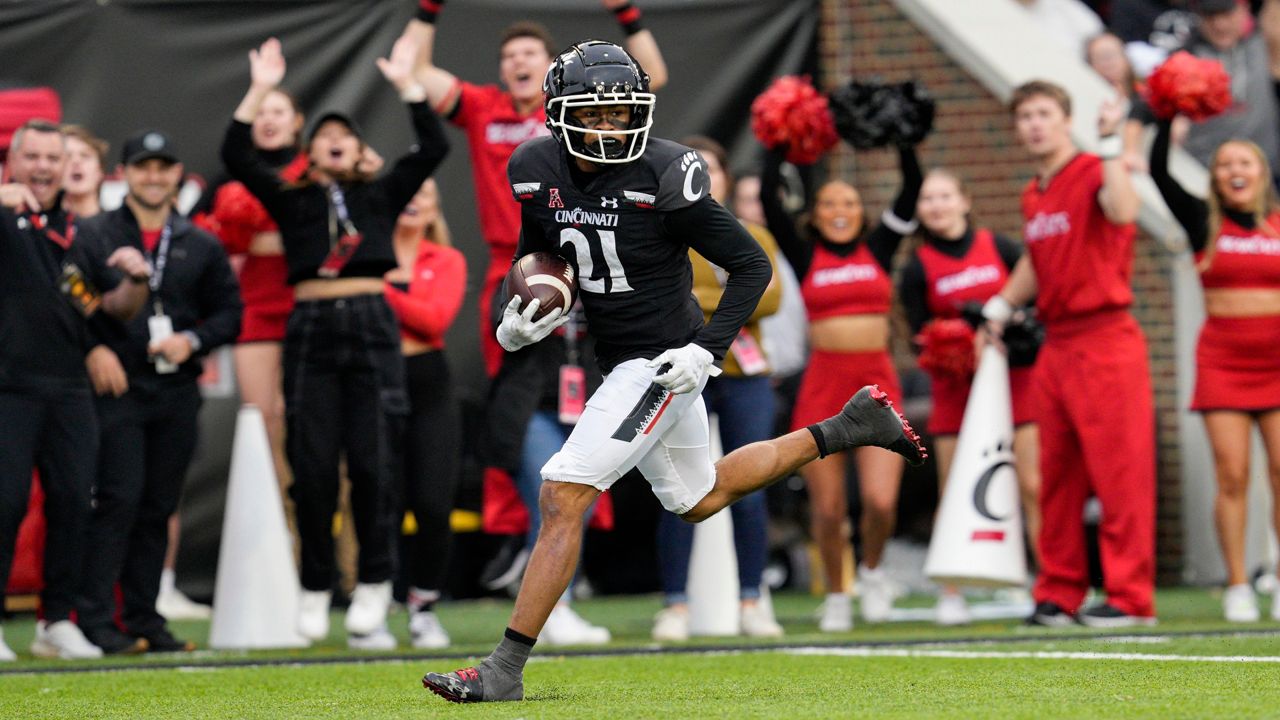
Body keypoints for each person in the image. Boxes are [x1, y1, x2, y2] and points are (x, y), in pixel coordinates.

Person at [421, 40, 925, 704]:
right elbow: (532, 258)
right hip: (621, 360)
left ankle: (505, 667)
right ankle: (847, 426)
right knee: (699, 498)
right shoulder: (533, 168)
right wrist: (507, 319)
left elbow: (752, 266)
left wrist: (706, 349)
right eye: (594, 116)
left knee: (561, 493)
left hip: (662, 360)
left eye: (621, 114)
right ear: (559, 115)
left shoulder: (666, 173)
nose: (609, 129)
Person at [222, 36, 449, 648]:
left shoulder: (380, 194)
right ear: (310, 150)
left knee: (374, 463)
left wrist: (407, 86)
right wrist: (261, 88)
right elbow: (236, 153)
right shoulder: (292, 199)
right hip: (311, 331)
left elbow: (434, 145)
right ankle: (316, 584)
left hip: (373, 326)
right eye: (323, 133)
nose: (334, 139)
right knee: (314, 467)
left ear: (358, 148)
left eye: (344, 132)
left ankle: (376, 579)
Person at [403, 0, 668, 377]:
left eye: (529, 53)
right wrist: (429, 8)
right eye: (509, 56)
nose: (518, 61)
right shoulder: (484, 108)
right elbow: (415, 70)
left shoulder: (576, 107)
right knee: (510, 375)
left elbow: (653, 75)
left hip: (584, 254)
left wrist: (626, 11)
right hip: (511, 262)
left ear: (552, 67)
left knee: (607, 368)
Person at [984, 80, 1155, 627]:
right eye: (1026, 116)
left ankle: (1130, 598)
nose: (1034, 123)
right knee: (1056, 475)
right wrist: (998, 307)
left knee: (1119, 472)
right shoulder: (1036, 190)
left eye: (1044, 113)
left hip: (1106, 337)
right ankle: (1059, 591)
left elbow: (1123, 210)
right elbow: (1038, 260)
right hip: (1057, 343)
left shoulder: (1093, 167)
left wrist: (1110, 143)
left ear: (1065, 119)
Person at [76, 130, 243, 655]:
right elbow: (69, 295)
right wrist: (92, 349)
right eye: (143, 166)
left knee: (157, 505)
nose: (153, 177)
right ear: (123, 173)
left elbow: (230, 314)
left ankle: (146, 620)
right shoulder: (95, 233)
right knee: (118, 501)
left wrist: (191, 339)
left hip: (175, 390)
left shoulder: (200, 241)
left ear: (177, 175)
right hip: (116, 385)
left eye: (163, 167)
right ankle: (97, 621)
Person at [0, 119, 151, 660]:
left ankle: (56, 620)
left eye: (52, 158)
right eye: (32, 157)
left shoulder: (78, 233)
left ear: (66, 167)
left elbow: (107, 309)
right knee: (5, 501)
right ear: (12, 161)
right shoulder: (4, 213)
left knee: (72, 502)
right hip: (8, 387)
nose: (42, 167)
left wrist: (135, 279)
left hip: (68, 390)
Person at [759, 136, 923, 631]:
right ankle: (836, 593)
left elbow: (911, 189)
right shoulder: (805, 254)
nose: (839, 210)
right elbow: (769, 198)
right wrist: (780, 143)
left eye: (849, 203)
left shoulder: (880, 246)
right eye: (829, 202)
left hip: (876, 387)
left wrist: (906, 140)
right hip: (824, 387)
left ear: (861, 212)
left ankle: (871, 574)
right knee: (828, 510)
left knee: (879, 501)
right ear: (816, 212)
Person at [652, 136, 785, 641]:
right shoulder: (665, 233)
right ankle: (675, 606)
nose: (705, 174)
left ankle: (753, 599)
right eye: (695, 166)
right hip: (685, 374)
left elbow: (771, 300)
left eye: (712, 166)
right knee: (678, 490)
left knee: (751, 487)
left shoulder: (753, 233)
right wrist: (732, 292)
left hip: (744, 375)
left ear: (726, 177)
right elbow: (672, 299)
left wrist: (703, 298)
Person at [897, 169, 1041, 626]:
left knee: (1033, 486)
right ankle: (951, 593)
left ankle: (1048, 584)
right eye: (928, 199)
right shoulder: (917, 267)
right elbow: (919, 337)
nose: (937, 206)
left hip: (1016, 381)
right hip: (956, 391)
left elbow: (1035, 301)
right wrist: (955, 343)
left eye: (944, 196)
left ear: (964, 199)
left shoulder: (1001, 248)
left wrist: (1016, 330)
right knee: (954, 487)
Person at [1149, 119, 1280, 622]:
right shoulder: (1203, 221)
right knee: (1234, 474)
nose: (1234, 170)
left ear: (1262, 172)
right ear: (1216, 177)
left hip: (1276, 366)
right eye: (1224, 164)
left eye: (1244, 162)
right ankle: (1239, 583)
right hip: (1225, 364)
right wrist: (1165, 116)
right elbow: (1159, 174)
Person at [382, 178, 466, 648]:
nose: (413, 198)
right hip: (378, 379)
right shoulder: (367, 252)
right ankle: (376, 604)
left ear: (435, 208)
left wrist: (381, 288)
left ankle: (424, 606)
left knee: (433, 503)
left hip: (429, 382)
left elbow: (434, 321)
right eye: (406, 190)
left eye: (425, 193)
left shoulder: (447, 258)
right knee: (381, 502)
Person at [60, 125, 109, 219]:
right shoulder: (38, 226)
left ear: (100, 171)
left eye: (85, 155)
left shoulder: (119, 228)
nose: (76, 161)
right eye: (67, 156)